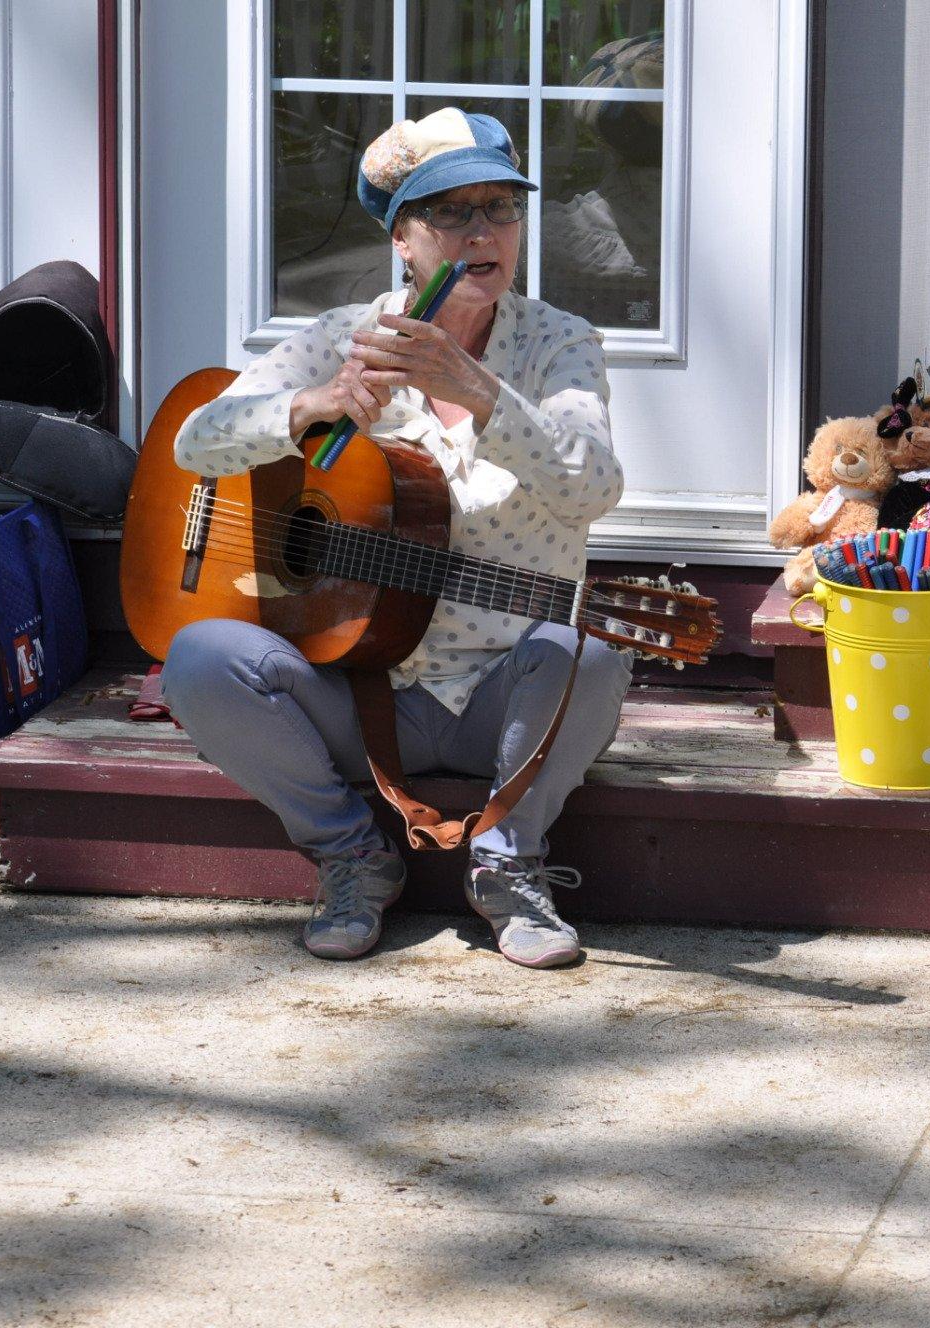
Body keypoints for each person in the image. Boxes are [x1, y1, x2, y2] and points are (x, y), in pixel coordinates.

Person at [158, 107, 631, 969]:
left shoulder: (561, 344)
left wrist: (484, 393)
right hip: (364, 692)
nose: (484, 230)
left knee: (593, 655)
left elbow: (593, 484)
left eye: (501, 208)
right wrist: (308, 408)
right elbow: (195, 442)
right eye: (452, 212)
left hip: (506, 697)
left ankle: (508, 862)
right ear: (403, 240)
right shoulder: (342, 339)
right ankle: (349, 857)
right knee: (198, 659)